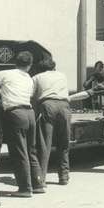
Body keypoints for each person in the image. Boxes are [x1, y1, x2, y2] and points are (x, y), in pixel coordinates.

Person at [0, 51, 45, 196]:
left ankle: (25, 189)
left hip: (16, 114)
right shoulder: (29, 78)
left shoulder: (6, 74)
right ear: (29, 66)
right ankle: (38, 184)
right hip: (29, 113)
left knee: (19, 152)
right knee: (31, 151)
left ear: (15, 62)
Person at [31, 58, 71, 186]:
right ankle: (63, 176)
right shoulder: (62, 75)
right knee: (63, 142)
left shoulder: (36, 77)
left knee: (44, 144)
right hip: (64, 105)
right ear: (54, 67)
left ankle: (41, 179)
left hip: (47, 105)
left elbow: (33, 96)